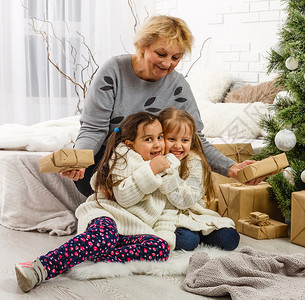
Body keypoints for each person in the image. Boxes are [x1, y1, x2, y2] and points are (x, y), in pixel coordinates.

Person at [62, 15, 261, 197]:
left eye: (176, 58)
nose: (167, 64)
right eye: (161, 54)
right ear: (143, 46)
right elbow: (93, 128)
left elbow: (195, 138)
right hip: (109, 157)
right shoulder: (114, 70)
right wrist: (79, 159)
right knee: (91, 181)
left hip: (148, 160)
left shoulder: (177, 85)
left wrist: (231, 167)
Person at [15, 112, 173, 293]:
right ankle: (40, 268)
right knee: (105, 236)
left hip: (132, 227)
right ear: (130, 144)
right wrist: (150, 171)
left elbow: (164, 207)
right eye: (148, 139)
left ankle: (85, 255)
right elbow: (124, 197)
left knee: (160, 248)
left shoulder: (163, 166)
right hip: (106, 215)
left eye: (160, 137)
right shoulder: (122, 158)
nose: (158, 144)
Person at [156, 107, 239, 251]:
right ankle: (193, 235)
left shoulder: (194, 161)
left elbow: (186, 200)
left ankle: (199, 232)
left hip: (192, 211)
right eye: (171, 139)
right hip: (168, 217)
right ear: (160, 137)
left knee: (229, 238)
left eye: (185, 140)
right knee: (187, 240)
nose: (178, 145)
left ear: (192, 139)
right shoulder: (155, 161)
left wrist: (169, 173)